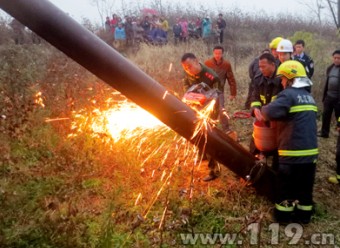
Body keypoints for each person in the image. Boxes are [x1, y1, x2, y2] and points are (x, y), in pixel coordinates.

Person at [261, 60, 318, 224]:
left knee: (285, 187)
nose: (282, 82)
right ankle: (303, 217)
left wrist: (262, 111)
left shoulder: (288, 94)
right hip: (310, 154)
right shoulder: (309, 97)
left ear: (291, 79)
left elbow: (269, 112)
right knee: (305, 188)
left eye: (283, 79)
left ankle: (284, 218)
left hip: (292, 153)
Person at [181, 53, 232, 181]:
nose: (188, 70)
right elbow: (187, 91)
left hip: (210, 110)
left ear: (197, 61)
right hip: (195, 109)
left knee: (209, 138)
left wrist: (206, 100)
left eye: (189, 66)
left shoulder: (211, 76)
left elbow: (217, 95)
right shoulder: (187, 74)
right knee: (196, 134)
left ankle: (214, 170)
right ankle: (201, 155)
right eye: (185, 68)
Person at [249, 53, 283, 170]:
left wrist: (271, 114)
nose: (261, 69)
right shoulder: (259, 78)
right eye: (259, 66)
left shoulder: (282, 80)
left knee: (278, 148)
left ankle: (275, 173)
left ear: (273, 65)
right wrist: (255, 108)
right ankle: (252, 168)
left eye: (264, 66)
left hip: (277, 121)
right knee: (255, 143)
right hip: (261, 119)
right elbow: (254, 97)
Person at [319, 50, 340, 138]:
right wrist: (324, 97)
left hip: (338, 99)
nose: (336, 60)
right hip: (329, 96)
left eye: (338, 58)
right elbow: (327, 83)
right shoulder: (330, 68)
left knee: (339, 117)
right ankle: (324, 133)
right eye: (335, 58)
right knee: (326, 115)